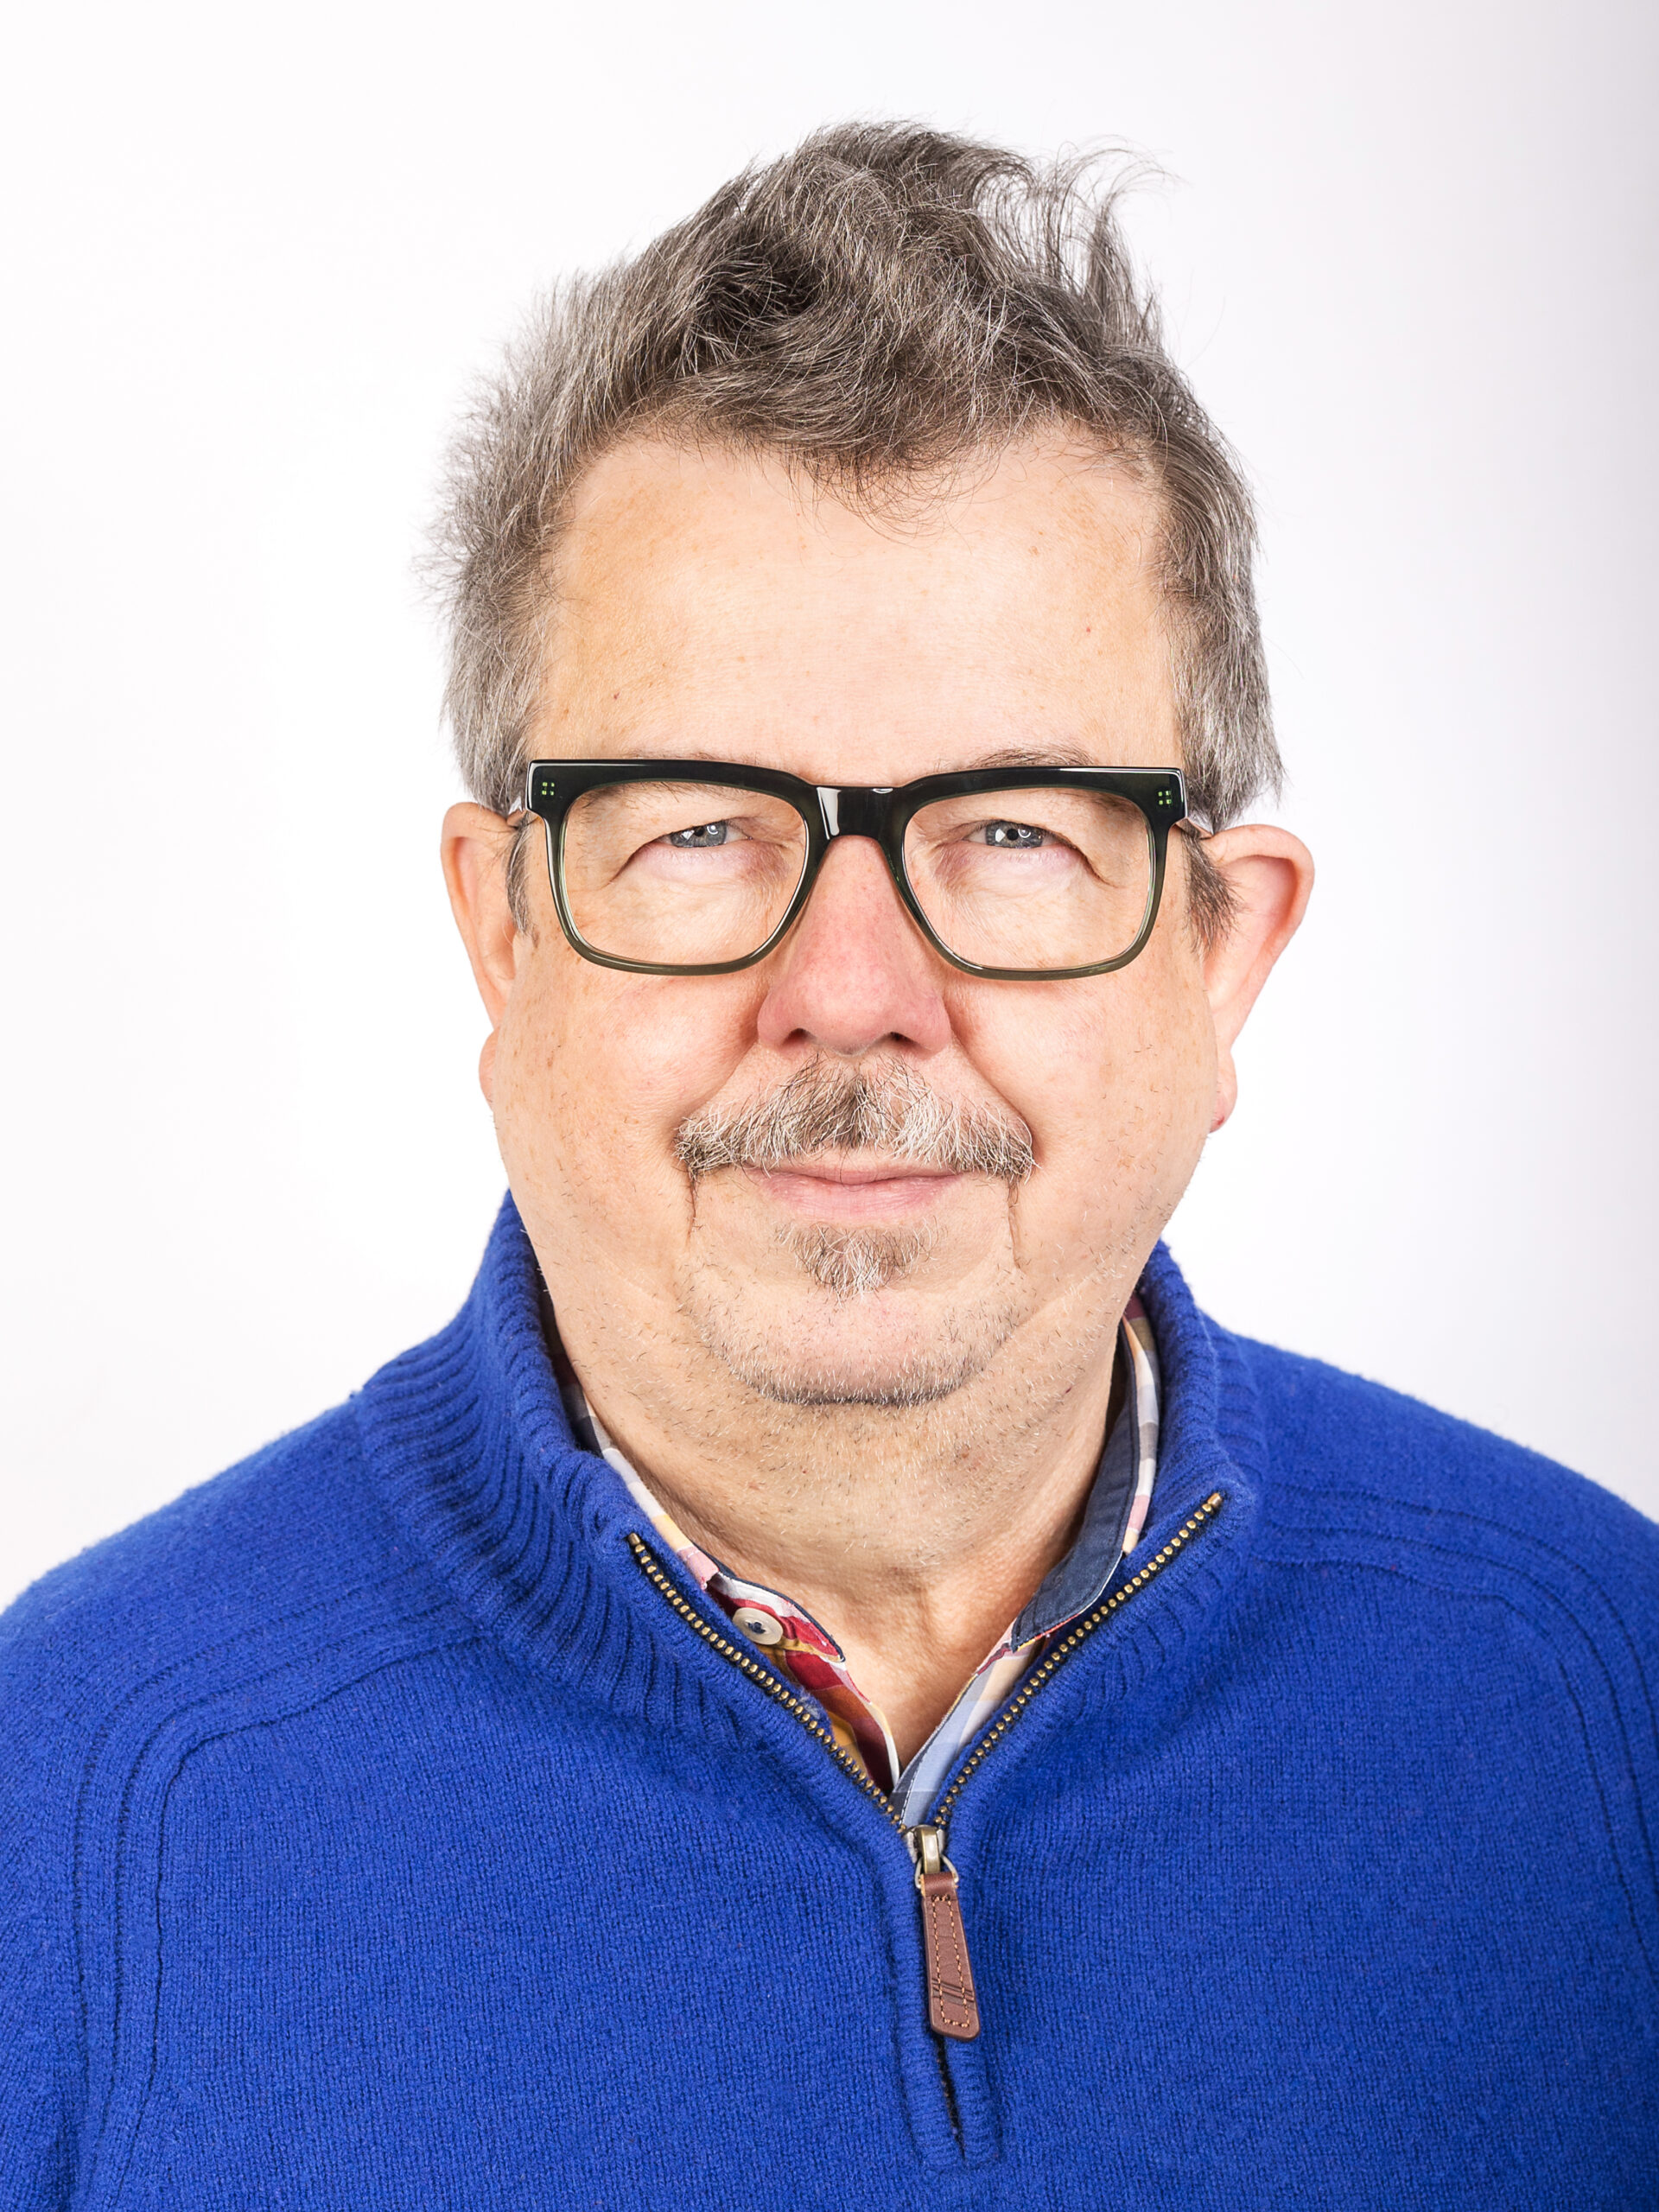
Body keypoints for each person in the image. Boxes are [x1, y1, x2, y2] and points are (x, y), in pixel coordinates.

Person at [3, 122, 1655, 2209]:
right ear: (500, 932)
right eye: (698, 825)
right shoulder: (61, 1812)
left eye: (1015, 830)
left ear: (1224, 953)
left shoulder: (1606, 1699)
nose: (850, 988)